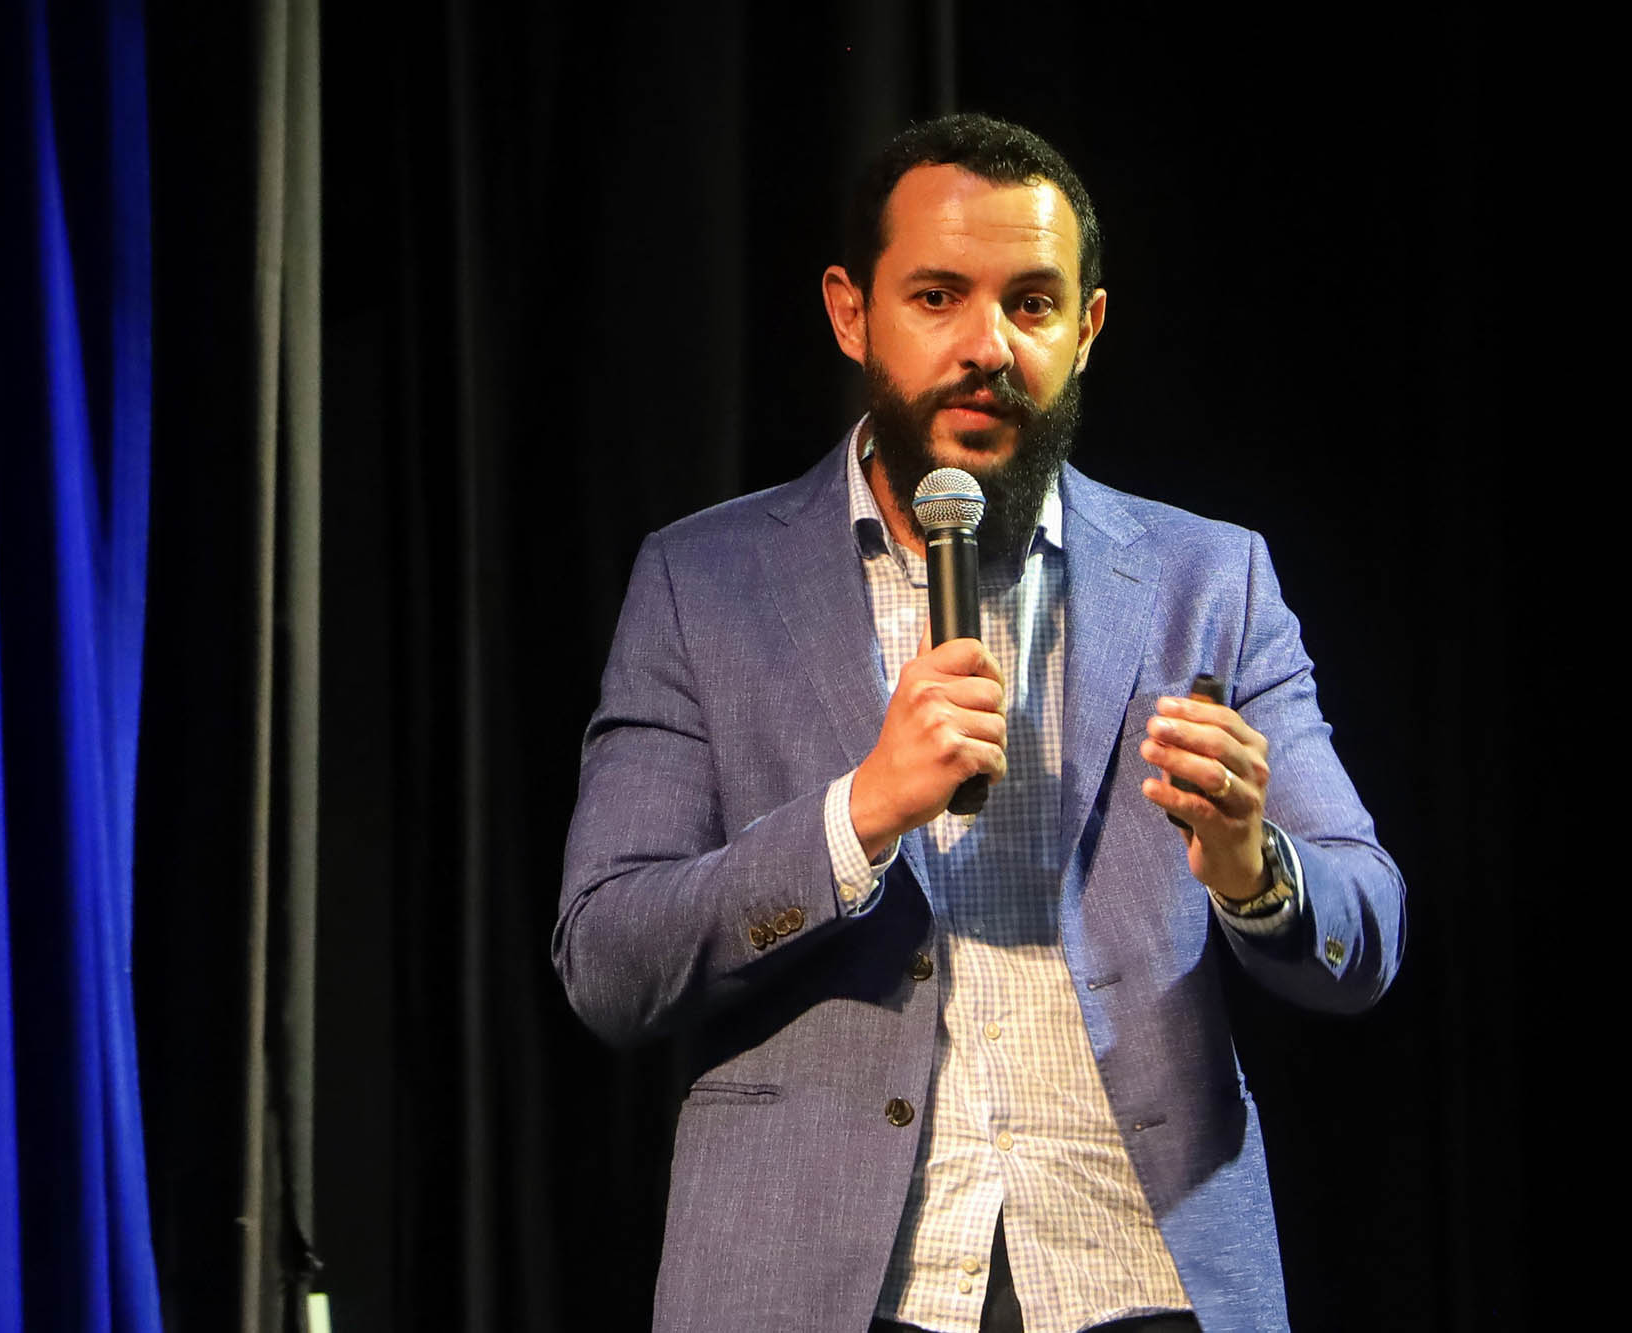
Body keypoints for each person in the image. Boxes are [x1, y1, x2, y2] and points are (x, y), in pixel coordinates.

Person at [553, 113, 1405, 1333]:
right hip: (828, 1287)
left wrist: (1252, 870)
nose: (986, 347)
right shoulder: (703, 582)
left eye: (1031, 305)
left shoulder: (1208, 580)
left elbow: (1365, 932)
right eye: (937, 297)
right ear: (851, 314)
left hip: (1138, 1279)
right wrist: (856, 815)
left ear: (1085, 329)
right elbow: (608, 959)